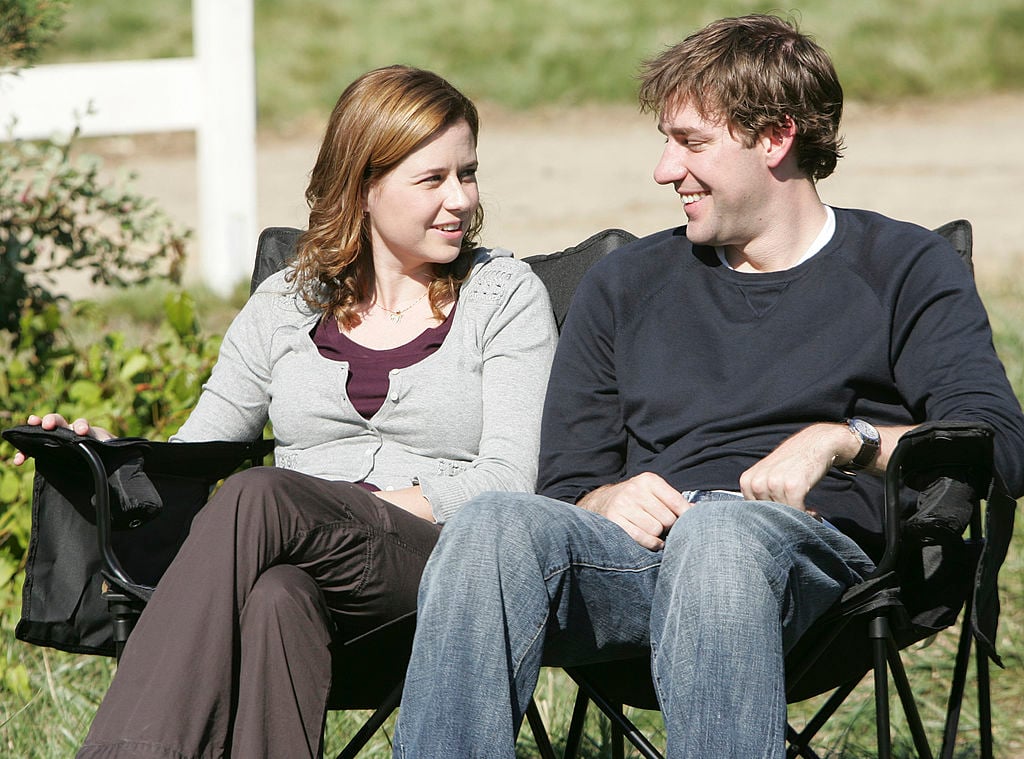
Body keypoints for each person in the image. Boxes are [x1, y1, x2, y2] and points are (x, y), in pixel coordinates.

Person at [392, 15, 1024, 758]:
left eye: (691, 143)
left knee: (719, 534)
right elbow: (565, 481)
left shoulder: (905, 267)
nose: (665, 170)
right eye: (666, 142)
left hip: (825, 575)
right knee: (493, 523)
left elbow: (998, 447)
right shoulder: (624, 284)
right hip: (635, 566)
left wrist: (843, 441)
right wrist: (603, 499)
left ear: (775, 138)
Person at [14, 65, 558, 758]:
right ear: (364, 186)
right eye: (433, 180)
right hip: (306, 565)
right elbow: (195, 453)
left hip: (444, 563)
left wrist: (346, 506)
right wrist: (105, 453)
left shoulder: (503, 297)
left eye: (468, 173)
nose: (461, 199)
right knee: (277, 597)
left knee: (261, 494)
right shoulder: (285, 301)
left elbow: (511, 480)